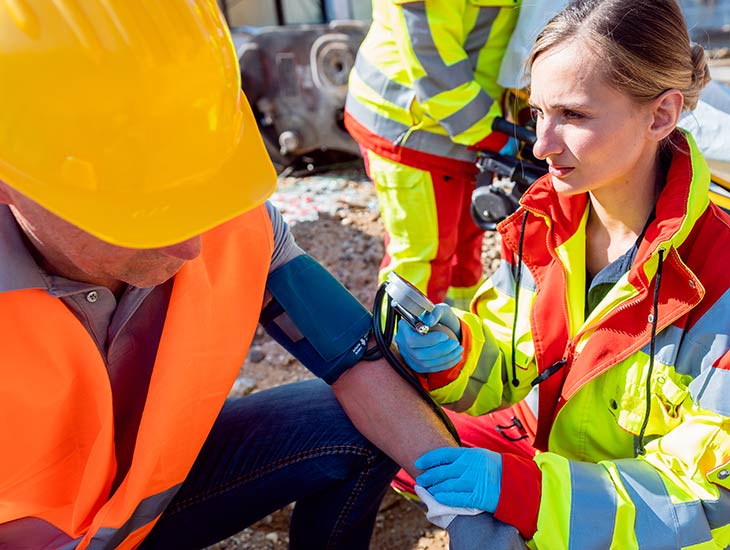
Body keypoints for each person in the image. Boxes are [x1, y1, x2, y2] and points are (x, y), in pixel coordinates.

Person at [0, 2, 463, 549]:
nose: (192, 245)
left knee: (358, 426)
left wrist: (471, 505)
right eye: (145, 214)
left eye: (198, 197)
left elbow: (357, 364)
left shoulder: (234, 224)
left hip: (140, 517)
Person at [393, 0, 730, 548]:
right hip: (564, 506)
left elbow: (707, 504)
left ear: (660, 115)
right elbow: (518, 365)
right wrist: (459, 353)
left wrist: (527, 493)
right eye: (537, 112)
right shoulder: (546, 227)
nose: (541, 144)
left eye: (574, 116)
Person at [344, 0, 520, 308]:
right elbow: (430, 53)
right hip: (413, 127)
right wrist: (488, 130)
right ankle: (403, 351)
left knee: (464, 249)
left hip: (464, 123)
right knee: (422, 260)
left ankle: (461, 337)